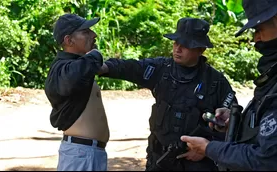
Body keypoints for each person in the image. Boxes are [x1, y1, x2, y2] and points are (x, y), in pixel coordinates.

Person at [98, 17, 237, 171]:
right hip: (160, 160)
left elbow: (233, 125)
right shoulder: (161, 69)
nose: (178, 49)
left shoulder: (216, 82)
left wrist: (208, 149)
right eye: (176, 43)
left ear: (200, 49)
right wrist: (103, 68)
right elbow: (131, 68)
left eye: (185, 45)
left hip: (197, 164)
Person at [180, 0, 277, 170]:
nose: (255, 39)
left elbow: (272, 160)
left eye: (259, 30)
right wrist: (239, 124)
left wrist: (209, 148)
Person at [44, 13, 109, 171]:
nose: (94, 35)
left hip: (89, 153)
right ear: (68, 40)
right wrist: (95, 55)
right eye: (86, 32)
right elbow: (72, 78)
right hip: (80, 153)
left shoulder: (76, 67)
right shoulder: (61, 68)